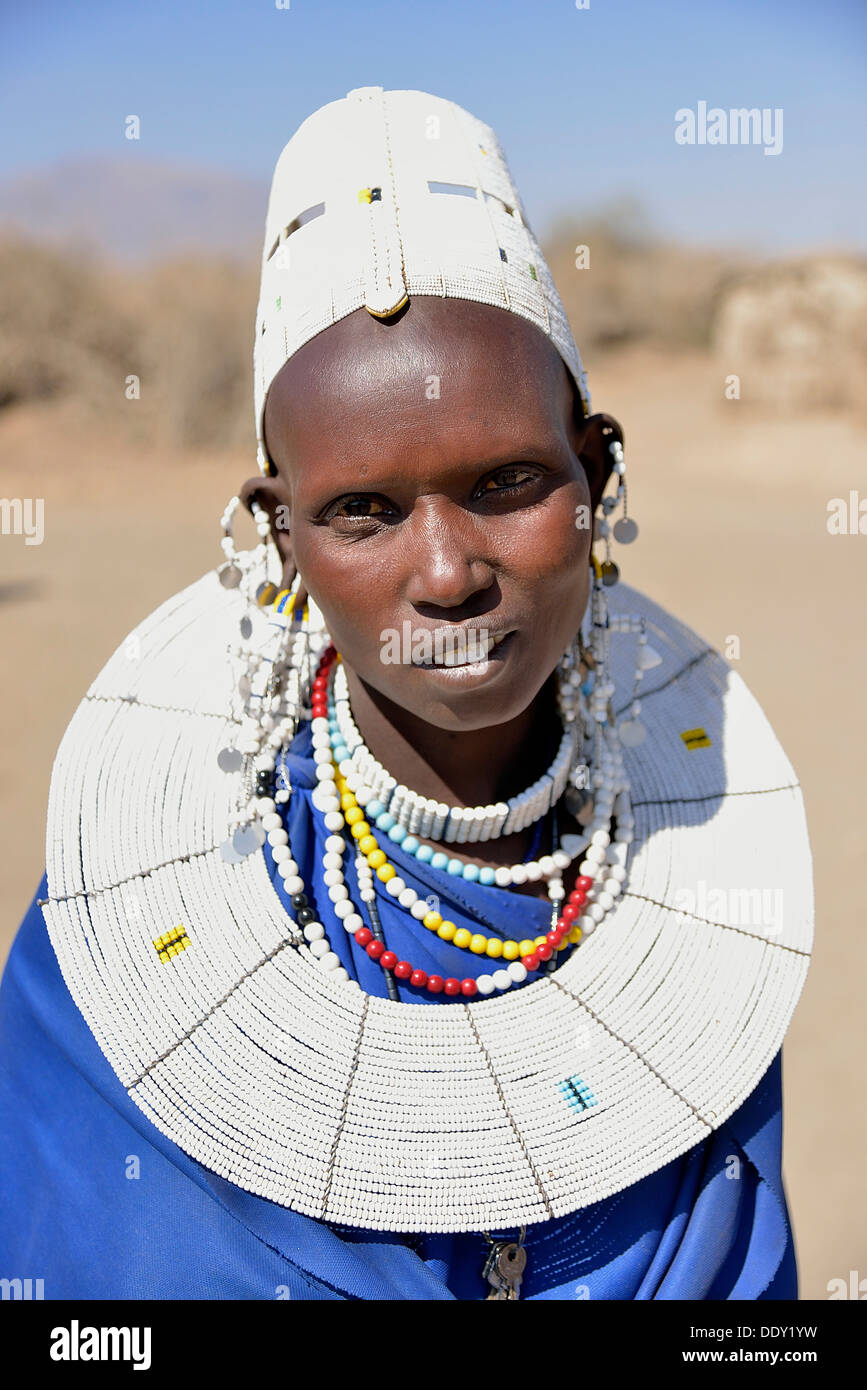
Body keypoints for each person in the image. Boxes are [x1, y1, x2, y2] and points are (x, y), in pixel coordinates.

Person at [0, 86, 812, 1300]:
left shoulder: (698, 909)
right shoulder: (103, 969)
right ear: (280, 538)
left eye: (507, 482)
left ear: (596, 477)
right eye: (362, 512)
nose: (446, 575)